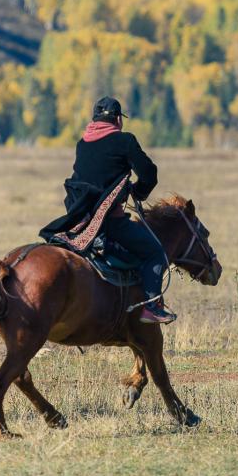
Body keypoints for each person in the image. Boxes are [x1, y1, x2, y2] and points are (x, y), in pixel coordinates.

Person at [40, 96, 175, 324]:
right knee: (155, 252)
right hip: (110, 221)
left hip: (78, 220)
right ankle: (151, 306)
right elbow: (149, 173)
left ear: (94, 119)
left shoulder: (82, 143)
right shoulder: (125, 141)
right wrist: (139, 192)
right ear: (118, 120)